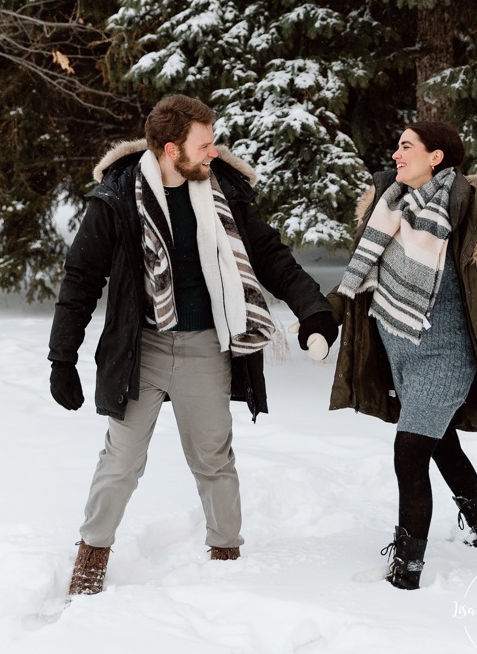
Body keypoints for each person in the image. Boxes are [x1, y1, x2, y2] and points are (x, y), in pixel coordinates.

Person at [48, 93, 338, 596]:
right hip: (143, 348)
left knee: (213, 458)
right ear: (169, 148)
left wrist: (313, 308)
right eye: (204, 144)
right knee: (121, 461)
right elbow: (80, 280)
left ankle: (227, 559)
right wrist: (62, 357)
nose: (214, 152)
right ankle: (89, 565)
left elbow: (271, 256)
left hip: (207, 346)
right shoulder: (118, 200)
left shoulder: (223, 192)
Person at [326, 121, 477, 590]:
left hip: (445, 355)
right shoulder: (389, 205)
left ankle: (407, 567)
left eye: (406, 147)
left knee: (410, 451)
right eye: (397, 146)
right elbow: (355, 274)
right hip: (398, 348)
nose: (397, 155)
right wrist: (324, 317)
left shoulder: (474, 215)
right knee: (441, 443)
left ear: (435, 157)